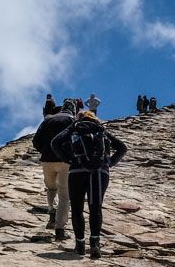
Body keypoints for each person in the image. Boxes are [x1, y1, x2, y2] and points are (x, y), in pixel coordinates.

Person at [50, 110, 127, 258]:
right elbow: (122, 148)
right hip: (99, 173)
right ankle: (95, 244)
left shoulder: (75, 128)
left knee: (77, 209)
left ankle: (80, 245)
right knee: (95, 207)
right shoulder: (101, 130)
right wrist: (109, 163)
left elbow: (55, 143)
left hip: (77, 171)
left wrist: (68, 159)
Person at [32, 102, 75, 240]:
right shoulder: (72, 121)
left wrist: (44, 151)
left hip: (47, 160)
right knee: (64, 195)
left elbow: (35, 140)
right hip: (65, 161)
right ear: (73, 110)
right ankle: (60, 229)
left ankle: (52, 212)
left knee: (51, 188)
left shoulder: (48, 119)